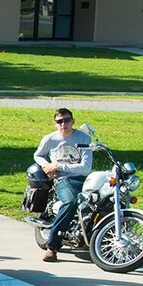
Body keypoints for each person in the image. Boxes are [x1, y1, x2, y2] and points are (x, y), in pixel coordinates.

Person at [34, 107, 96, 262]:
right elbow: (38, 155)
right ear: (55, 124)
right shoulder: (50, 139)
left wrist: (57, 166)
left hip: (84, 179)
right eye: (59, 121)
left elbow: (85, 168)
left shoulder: (83, 138)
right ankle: (52, 247)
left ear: (73, 121)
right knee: (70, 202)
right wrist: (46, 166)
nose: (63, 124)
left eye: (67, 120)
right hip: (64, 180)